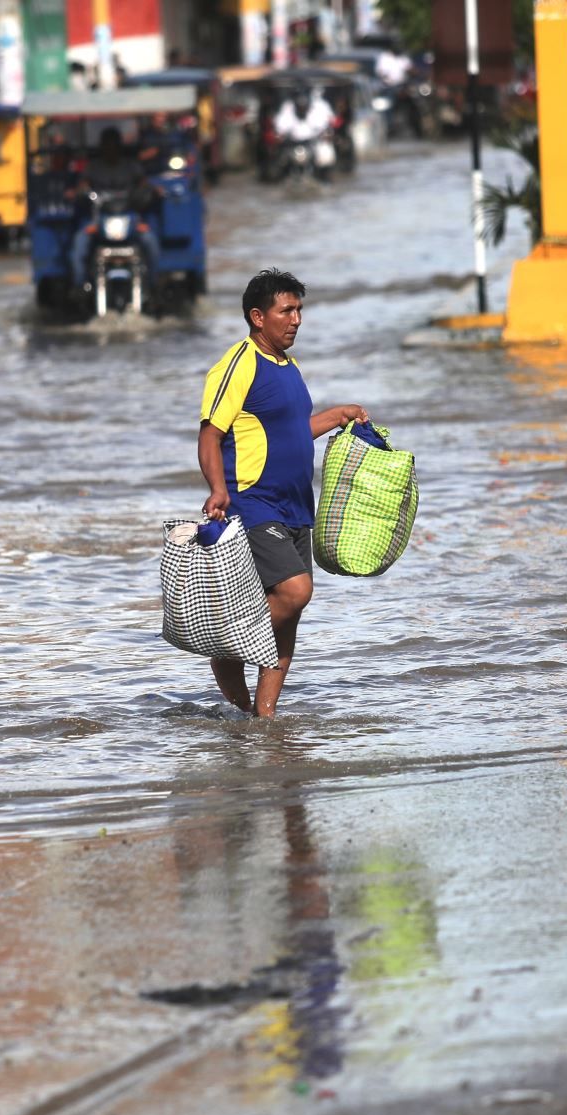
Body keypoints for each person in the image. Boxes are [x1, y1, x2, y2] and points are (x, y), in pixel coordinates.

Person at [197, 269, 369, 718]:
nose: (295, 320)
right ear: (258, 317)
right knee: (295, 592)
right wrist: (218, 489)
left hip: (296, 506)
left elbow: (291, 433)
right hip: (253, 503)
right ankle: (228, 653)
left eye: (299, 310)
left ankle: (263, 718)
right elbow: (210, 434)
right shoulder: (238, 364)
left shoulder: (289, 367)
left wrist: (335, 416)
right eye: (285, 311)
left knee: (290, 616)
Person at [68, 127, 161, 299]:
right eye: (107, 145)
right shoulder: (94, 167)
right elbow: (83, 185)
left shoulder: (131, 166)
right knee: (79, 244)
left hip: (130, 218)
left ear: (119, 146)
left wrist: (153, 190)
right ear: (102, 147)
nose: (110, 149)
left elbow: (144, 184)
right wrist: (77, 192)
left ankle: (153, 285)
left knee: (151, 242)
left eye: (113, 145)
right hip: (100, 220)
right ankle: (80, 286)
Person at [272, 91, 337, 179]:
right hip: (292, 145)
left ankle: (323, 178)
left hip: (311, 144)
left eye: (304, 107)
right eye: (300, 107)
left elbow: (323, 126)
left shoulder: (316, 112)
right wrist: (279, 135)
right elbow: (281, 127)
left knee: (324, 156)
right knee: (280, 160)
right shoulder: (287, 109)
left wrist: (325, 134)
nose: (302, 109)